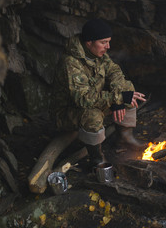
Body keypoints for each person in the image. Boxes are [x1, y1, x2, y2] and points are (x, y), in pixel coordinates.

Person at [52, 18, 147, 167]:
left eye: (108, 42)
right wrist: (118, 98)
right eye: (103, 42)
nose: (108, 46)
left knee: (127, 87)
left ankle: (125, 138)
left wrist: (119, 99)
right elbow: (83, 99)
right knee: (93, 116)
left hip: (95, 101)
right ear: (89, 42)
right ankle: (97, 158)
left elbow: (115, 72)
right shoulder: (70, 63)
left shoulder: (98, 54)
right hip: (68, 113)